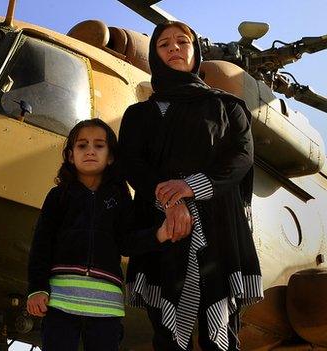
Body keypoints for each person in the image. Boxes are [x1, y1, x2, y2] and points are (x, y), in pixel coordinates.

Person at [118, 21, 263, 351]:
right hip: (160, 231)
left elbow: (241, 158)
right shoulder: (139, 114)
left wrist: (191, 187)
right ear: (155, 56)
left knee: (221, 337)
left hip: (220, 232)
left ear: (196, 51)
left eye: (182, 42)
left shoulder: (228, 107)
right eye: (163, 44)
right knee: (167, 337)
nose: (173, 48)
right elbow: (132, 164)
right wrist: (170, 200)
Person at [26, 118, 171, 351]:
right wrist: (37, 288)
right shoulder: (58, 196)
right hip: (61, 302)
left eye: (99, 145)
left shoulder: (122, 199)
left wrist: (159, 234)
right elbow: (41, 244)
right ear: (71, 155)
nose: (90, 151)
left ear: (111, 156)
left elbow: (126, 243)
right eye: (82, 145)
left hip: (106, 307)